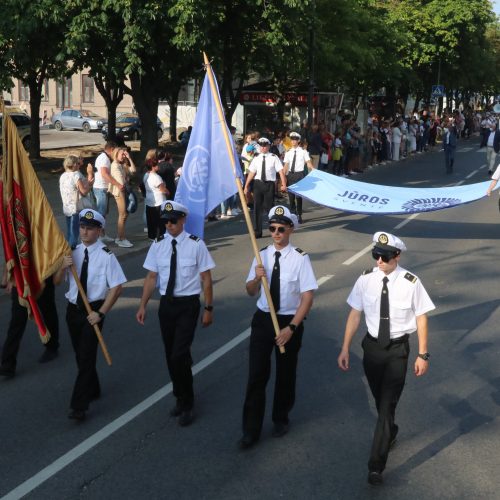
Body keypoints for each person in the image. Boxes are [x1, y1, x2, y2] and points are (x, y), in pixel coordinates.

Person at [337, 232, 435, 486]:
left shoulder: (411, 282)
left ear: (397, 256)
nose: (379, 260)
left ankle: (375, 466)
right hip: (372, 348)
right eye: (376, 255)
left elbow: (422, 317)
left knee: (385, 407)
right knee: (381, 400)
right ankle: (390, 431)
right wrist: (345, 348)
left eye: (384, 256)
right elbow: (355, 314)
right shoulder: (365, 280)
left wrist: (423, 354)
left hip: (397, 351)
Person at [239, 205, 317, 449]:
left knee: (286, 373)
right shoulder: (260, 254)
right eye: (272, 228)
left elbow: (307, 297)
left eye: (281, 229)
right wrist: (255, 278)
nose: (275, 233)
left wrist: (291, 328)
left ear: (290, 229)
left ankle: (280, 417)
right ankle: (250, 430)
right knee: (256, 375)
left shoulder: (300, 258)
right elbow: (250, 291)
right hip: (263, 319)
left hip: (288, 321)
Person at [136, 201, 215, 427]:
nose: (168, 225)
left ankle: (187, 403)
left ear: (183, 220)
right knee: (171, 354)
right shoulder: (158, 244)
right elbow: (152, 277)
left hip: (188, 305)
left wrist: (209, 308)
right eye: (165, 221)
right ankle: (179, 396)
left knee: (178, 355)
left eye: (173, 220)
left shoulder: (196, 245)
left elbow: (206, 279)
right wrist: (142, 305)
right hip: (167, 306)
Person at [54, 209, 126, 421]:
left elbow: (117, 288)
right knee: (80, 356)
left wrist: (101, 313)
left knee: (86, 357)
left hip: (93, 310)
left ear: (99, 231)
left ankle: (79, 406)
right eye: (82, 228)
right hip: (73, 310)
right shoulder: (72, 252)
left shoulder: (106, 256)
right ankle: (92, 388)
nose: (84, 232)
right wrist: (62, 267)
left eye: (89, 229)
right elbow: (58, 282)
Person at [0, 271, 60, 378]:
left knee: (47, 310)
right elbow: (12, 254)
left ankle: (52, 346)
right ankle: (8, 364)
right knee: (17, 319)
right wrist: (8, 277)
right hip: (20, 278)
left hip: (41, 273)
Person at [244, 137, 287, 239]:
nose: (263, 148)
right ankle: (258, 231)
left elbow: (280, 171)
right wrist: (246, 186)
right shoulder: (256, 158)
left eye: (265, 146)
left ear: (268, 146)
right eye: (261, 146)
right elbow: (252, 173)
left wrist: (283, 184)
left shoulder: (273, 157)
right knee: (257, 208)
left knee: (270, 208)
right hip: (258, 184)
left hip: (269, 185)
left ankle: (274, 229)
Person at [59, 154, 94, 249]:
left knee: (69, 233)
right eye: (77, 163)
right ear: (74, 164)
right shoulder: (76, 175)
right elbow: (83, 192)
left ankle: (67, 251)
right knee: (74, 234)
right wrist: (90, 185)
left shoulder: (63, 176)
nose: (79, 165)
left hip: (67, 207)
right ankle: (70, 255)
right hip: (75, 208)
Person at [108, 147, 136, 248]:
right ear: (116, 154)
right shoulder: (115, 165)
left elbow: (133, 171)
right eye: (122, 154)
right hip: (119, 192)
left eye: (124, 154)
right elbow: (121, 182)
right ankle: (121, 239)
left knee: (124, 214)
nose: (124, 156)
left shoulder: (121, 164)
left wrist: (129, 158)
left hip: (123, 191)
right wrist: (126, 178)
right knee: (123, 215)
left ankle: (120, 236)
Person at [283, 132, 314, 223]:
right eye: (292, 139)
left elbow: (308, 162)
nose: (293, 141)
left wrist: (313, 169)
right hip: (290, 175)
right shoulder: (288, 152)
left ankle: (299, 214)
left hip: (299, 175)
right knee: (291, 197)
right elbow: (286, 165)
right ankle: (293, 214)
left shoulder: (303, 152)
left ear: (298, 141)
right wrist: (283, 177)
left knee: (298, 196)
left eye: (295, 140)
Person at [93, 141, 117, 242]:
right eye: (115, 150)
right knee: (101, 213)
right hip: (100, 188)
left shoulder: (104, 157)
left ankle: (102, 234)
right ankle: (99, 236)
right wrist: (116, 184)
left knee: (103, 213)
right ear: (111, 149)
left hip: (102, 188)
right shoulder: (104, 158)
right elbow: (104, 174)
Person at [144, 149, 169, 240]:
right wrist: (167, 191)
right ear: (154, 167)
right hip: (159, 202)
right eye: (157, 165)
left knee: (151, 220)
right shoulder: (157, 177)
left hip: (149, 201)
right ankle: (159, 236)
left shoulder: (146, 176)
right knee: (159, 221)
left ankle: (151, 236)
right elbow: (163, 190)